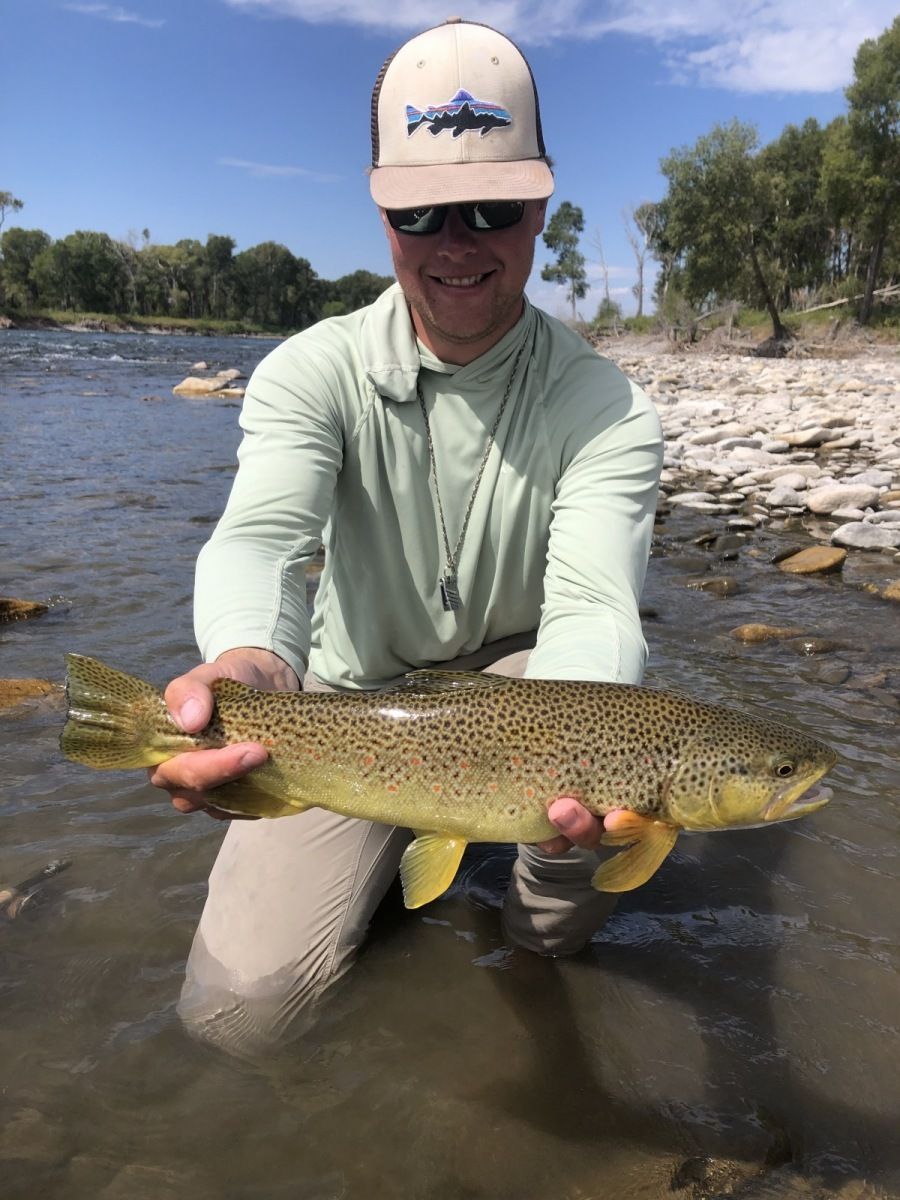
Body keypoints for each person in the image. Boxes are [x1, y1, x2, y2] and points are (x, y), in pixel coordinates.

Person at [150, 17, 663, 1055]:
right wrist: (252, 662)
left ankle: (526, 921)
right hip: (346, 706)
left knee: (556, 928)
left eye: (493, 206)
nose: (458, 240)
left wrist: (579, 754)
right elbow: (265, 545)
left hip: (533, 697)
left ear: (540, 206)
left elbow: (595, 607)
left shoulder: (607, 410)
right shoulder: (310, 371)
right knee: (235, 1023)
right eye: (421, 211)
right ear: (383, 215)